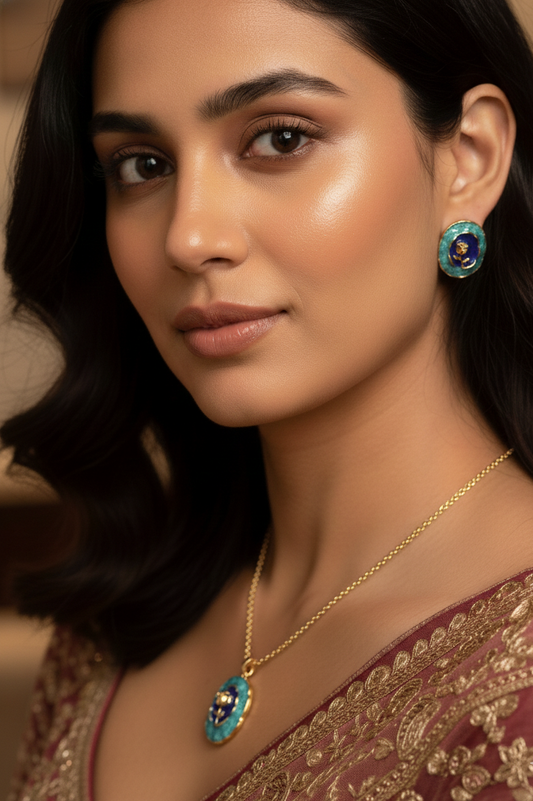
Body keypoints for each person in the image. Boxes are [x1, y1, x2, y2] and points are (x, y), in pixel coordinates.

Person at [4, 0, 533, 797]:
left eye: (279, 139)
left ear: (468, 158)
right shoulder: (111, 627)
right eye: (141, 164)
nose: (188, 236)